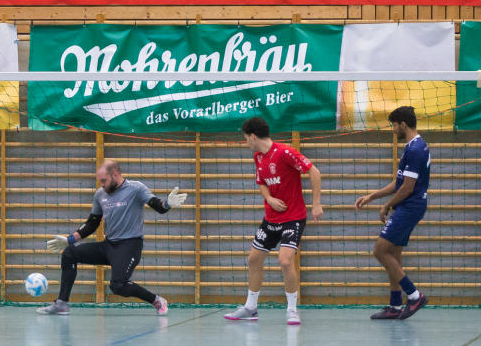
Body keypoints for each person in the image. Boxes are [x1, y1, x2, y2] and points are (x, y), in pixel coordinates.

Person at [38, 159, 187, 316]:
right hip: (108, 246)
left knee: (118, 285)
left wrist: (167, 204)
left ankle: (156, 300)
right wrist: (69, 240)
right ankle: (62, 304)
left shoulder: (136, 188)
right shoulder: (100, 194)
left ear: (115, 174)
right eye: (100, 181)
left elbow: (158, 205)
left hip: (129, 246)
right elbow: (92, 223)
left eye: (104, 180)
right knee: (69, 254)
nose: (101, 185)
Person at [224, 117, 323, 325]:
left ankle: (292, 310)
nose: (246, 142)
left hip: (293, 217)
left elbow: (314, 172)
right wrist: (269, 198)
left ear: (252, 136)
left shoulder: (285, 152)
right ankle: (250, 308)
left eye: (246, 138)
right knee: (254, 259)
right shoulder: (258, 157)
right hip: (271, 218)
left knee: (285, 260)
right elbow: (262, 182)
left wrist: (316, 204)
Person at [355, 106, 429, 320]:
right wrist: (372, 196)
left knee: (380, 251)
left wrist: (386, 205)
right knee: (393, 254)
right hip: (410, 205)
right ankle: (395, 306)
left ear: (403, 124)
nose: (393, 129)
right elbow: (398, 183)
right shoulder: (413, 146)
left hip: (410, 206)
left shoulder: (415, 149)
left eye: (394, 125)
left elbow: (407, 187)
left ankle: (414, 296)